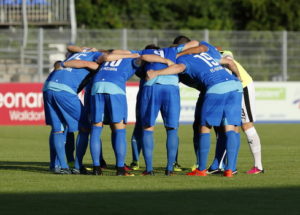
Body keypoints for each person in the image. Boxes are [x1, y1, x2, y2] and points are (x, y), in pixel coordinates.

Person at [147, 51, 243, 177]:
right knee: (230, 127)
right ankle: (229, 169)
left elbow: (178, 67)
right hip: (235, 86)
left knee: (204, 127)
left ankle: (201, 170)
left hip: (216, 87)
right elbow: (230, 62)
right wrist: (238, 77)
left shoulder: (183, 59)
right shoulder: (205, 56)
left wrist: (156, 73)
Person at [89, 51, 174, 176]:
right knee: (119, 129)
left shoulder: (108, 58)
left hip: (96, 87)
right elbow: (144, 57)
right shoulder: (133, 57)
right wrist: (166, 61)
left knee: (96, 129)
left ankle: (96, 168)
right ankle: (120, 169)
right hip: (115, 88)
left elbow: (102, 59)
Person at [208, 50, 264, 174]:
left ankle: (258, 166)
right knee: (232, 125)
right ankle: (224, 165)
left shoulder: (219, 54)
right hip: (232, 89)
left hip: (243, 86)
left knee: (246, 124)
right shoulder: (208, 55)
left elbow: (229, 58)